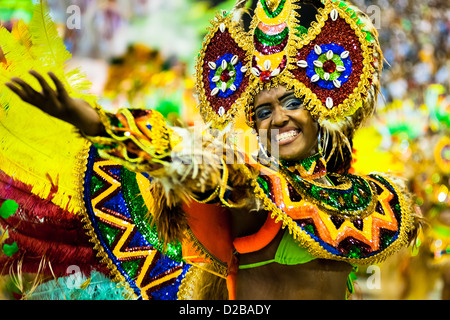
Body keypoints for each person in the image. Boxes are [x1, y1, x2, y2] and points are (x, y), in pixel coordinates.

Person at [3, 0, 422, 300]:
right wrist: (95, 124)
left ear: (319, 107)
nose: (278, 119)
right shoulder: (253, 184)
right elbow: (190, 164)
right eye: (263, 110)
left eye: (291, 102)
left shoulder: (369, 195)